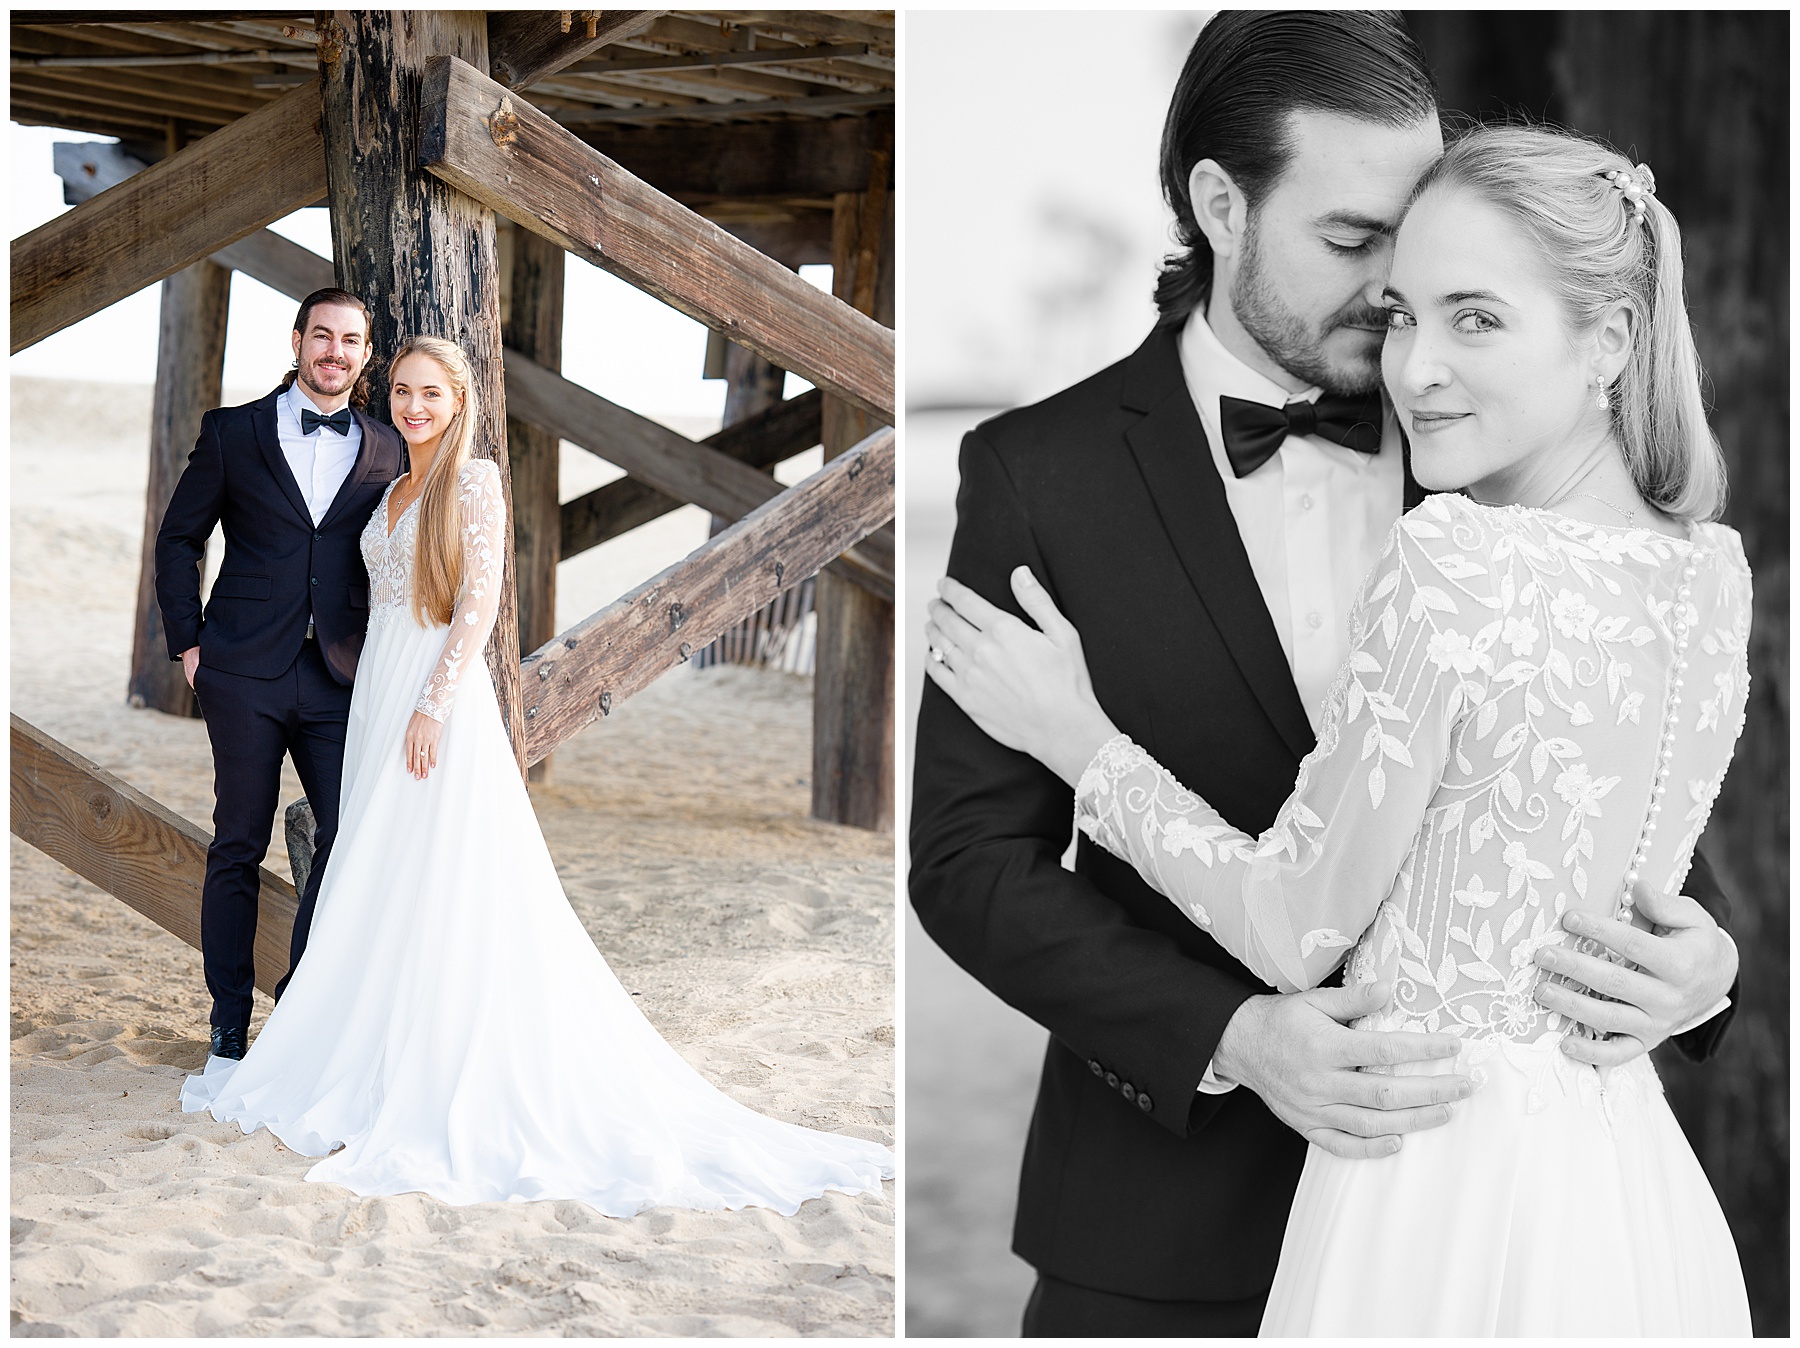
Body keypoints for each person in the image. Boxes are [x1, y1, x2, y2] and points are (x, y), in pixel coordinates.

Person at [909, 12, 1739, 1337]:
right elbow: (966, 867)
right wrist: (1232, 1037)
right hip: (1161, 1228)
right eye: (1359, 247)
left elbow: (1574, 784)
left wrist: (1702, 972)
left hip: (1481, 1227)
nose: (1404, 325)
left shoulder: (1487, 437)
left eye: (1427, 259)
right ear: (1222, 205)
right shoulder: (1038, 475)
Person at [181, 336, 895, 1216]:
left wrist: (434, 704)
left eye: (430, 393)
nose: (412, 406)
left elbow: (479, 601)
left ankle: (441, 1053)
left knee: (444, 871)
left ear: (459, 398)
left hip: (433, 699)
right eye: (401, 391)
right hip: (377, 690)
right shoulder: (392, 482)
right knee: (381, 872)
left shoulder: (471, 481)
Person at [156, 288, 405, 1063]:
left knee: (347, 837)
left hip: (340, 676)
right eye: (322, 336)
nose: (335, 351)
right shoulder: (233, 433)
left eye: (351, 341)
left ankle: (298, 1002)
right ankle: (228, 1021)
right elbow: (177, 540)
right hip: (242, 671)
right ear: (297, 341)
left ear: (366, 355)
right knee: (238, 842)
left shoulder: (391, 447)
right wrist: (188, 646)